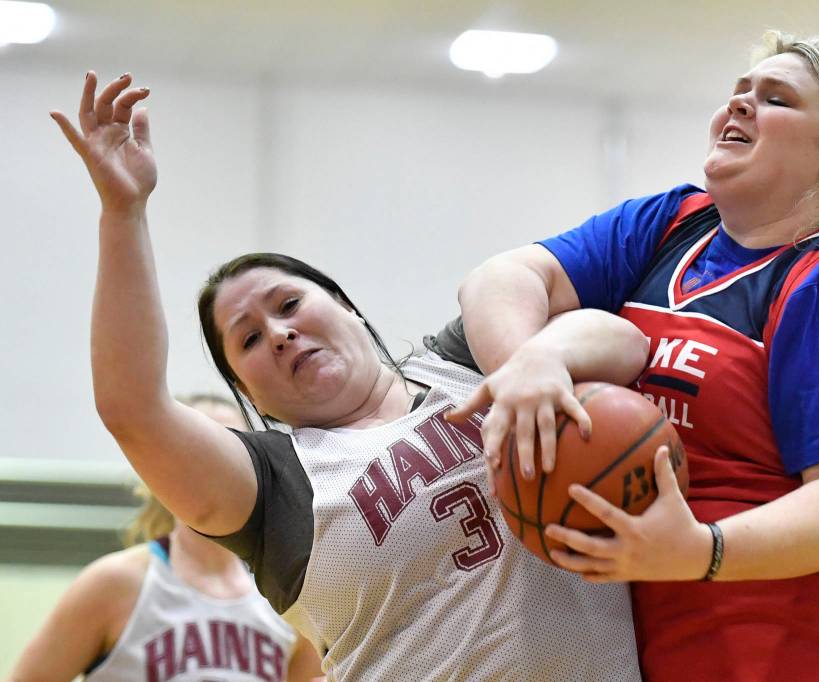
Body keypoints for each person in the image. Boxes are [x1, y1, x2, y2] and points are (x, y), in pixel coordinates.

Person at [48, 71, 650, 681]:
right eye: (250, 339)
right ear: (247, 391)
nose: (280, 333)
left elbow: (623, 341)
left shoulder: (466, 359)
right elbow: (132, 410)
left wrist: (539, 361)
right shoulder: (274, 489)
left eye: (288, 305)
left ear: (348, 307)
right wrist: (123, 212)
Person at [439, 30, 819, 681]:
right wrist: (526, 366)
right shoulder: (673, 224)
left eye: (775, 98)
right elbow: (503, 276)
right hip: (685, 651)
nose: (739, 105)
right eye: (738, 92)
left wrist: (701, 549)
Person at [10, 395, 324, 682]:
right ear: (163, 464)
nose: (212, 465)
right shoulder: (115, 582)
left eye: (228, 449)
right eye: (195, 448)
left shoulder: (290, 596)